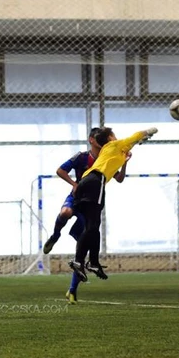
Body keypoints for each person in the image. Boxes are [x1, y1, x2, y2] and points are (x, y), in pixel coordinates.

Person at [42, 127, 130, 304]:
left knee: (84, 244)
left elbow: (119, 178)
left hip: (92, 203)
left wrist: (125, 162)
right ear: (91, 140)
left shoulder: (107, 158)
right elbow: (60, 170)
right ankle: (55, 235)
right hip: (77, 197)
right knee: (65, 212)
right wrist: (74, 184)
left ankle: (72, 290)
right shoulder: (82, 157)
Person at [68, 126, 156, 282]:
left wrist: (127, 158)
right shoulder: (113, 145)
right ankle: (79, 260)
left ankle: (93, 262)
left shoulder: (111, 151)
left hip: (87, 182)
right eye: (114, 135)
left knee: (93, 226)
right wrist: (148, 132)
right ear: (109, 138)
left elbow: (120, 174)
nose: (116, 138)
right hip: (95, 181)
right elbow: (134, 137)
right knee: (92, 226)